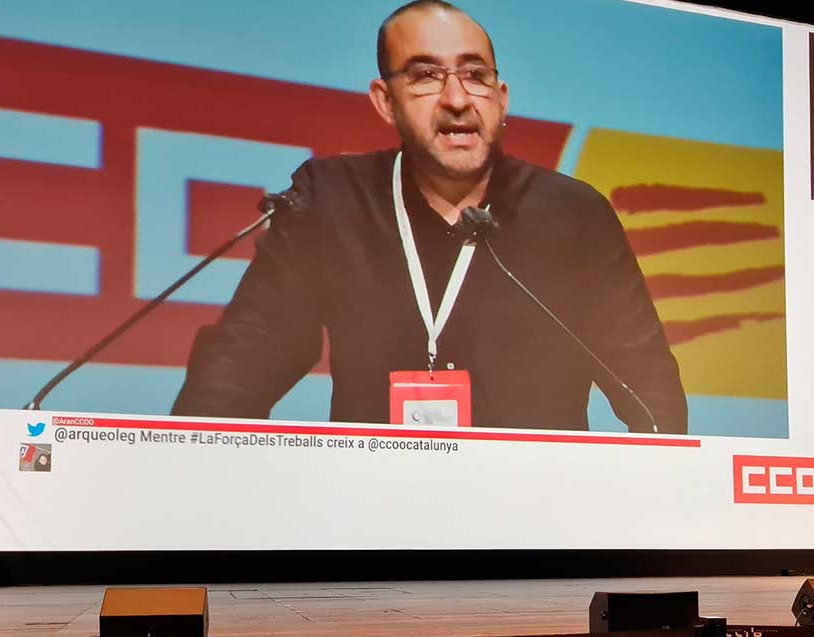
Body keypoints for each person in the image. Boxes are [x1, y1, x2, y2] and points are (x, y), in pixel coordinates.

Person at [171, 0, 688, 433]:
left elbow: (649, 390)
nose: (457, 99)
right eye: (424, 76)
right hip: (376, 513)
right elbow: (243, 363)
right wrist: (191, 471)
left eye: (475, 76)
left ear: (501, 99)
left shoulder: (574, 214)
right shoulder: (331, 199)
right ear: (386, 101)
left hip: (537, 517)